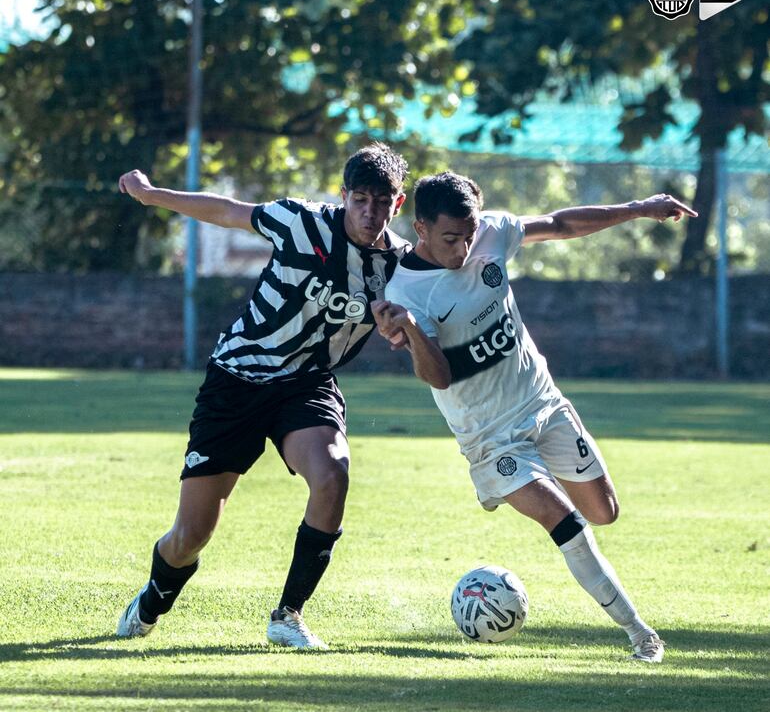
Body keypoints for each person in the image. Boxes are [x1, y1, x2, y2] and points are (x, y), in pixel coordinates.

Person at [373, 171, 697, 663]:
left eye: (468, 234)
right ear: (420, 229)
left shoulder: (492, 233)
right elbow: (438, 377)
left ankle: (536, 490)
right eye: (449, 238)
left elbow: (561, 224)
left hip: (544, 404)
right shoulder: (408, 292)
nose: (462, 248)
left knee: (603, 511)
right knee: (566, 522)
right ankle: (640, 634)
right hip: (490, 439)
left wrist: (638, 208)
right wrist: (414, 331)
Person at [115, 143, 409, 649]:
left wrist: (397, 329)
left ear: (397, 205)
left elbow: (413, 326)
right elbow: (227, 212)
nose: (369, 211)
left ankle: (288, 615)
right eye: (360, 199)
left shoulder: (401, 267)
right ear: (343, 196)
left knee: (333, 475)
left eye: (381, 202)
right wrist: (150, 194)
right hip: (237, 379)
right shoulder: (300, 223)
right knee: (191, 536)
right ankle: (152, 599)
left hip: (307, 385)